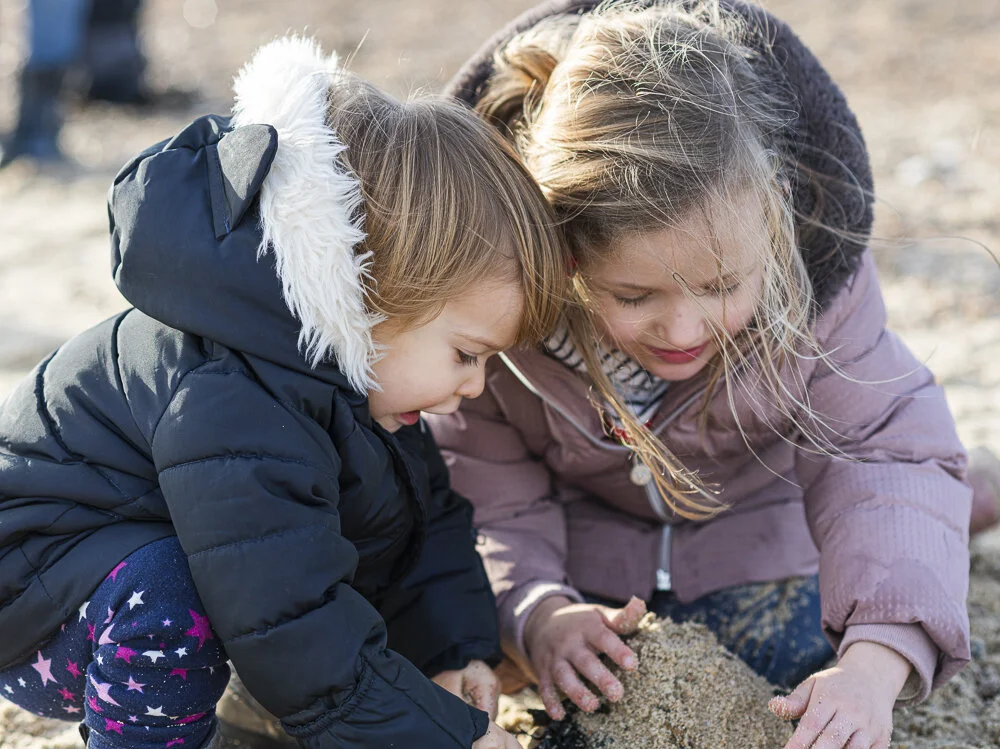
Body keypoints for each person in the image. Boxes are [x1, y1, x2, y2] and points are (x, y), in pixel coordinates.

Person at [429, 2, 975, 747]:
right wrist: (536, 611)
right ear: (563, 252)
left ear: (772, 221)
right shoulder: (501, 327)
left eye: (720, 286)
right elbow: (484, 492)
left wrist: (874, 665)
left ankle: (977, 492)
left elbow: (884, 459)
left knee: (856, 581)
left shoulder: (820, 298)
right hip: (592, 571)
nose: (683, 331)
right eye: (633, 296)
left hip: (766, 542)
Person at [0, 36, 566, 749]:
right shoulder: (233, 395)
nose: (475, 386)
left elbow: (422, 528)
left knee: (305, 547)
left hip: (119, 568)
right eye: (466, 355)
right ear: (376, 295)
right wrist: (445, 737)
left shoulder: (355, 380)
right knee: (173, 593)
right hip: (34, 601)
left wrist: (452, 653)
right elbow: (291, 624)